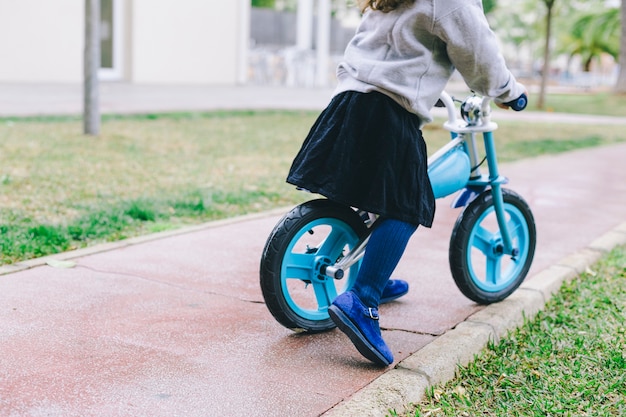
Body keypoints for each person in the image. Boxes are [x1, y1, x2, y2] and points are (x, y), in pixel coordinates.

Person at [286, 0, 527, 367]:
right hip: (389, 111)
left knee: (373, 194)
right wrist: (509, 91)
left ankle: (371, 278)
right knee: (407, 204)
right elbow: (479, 52)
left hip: (349, 100)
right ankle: (363, 297)